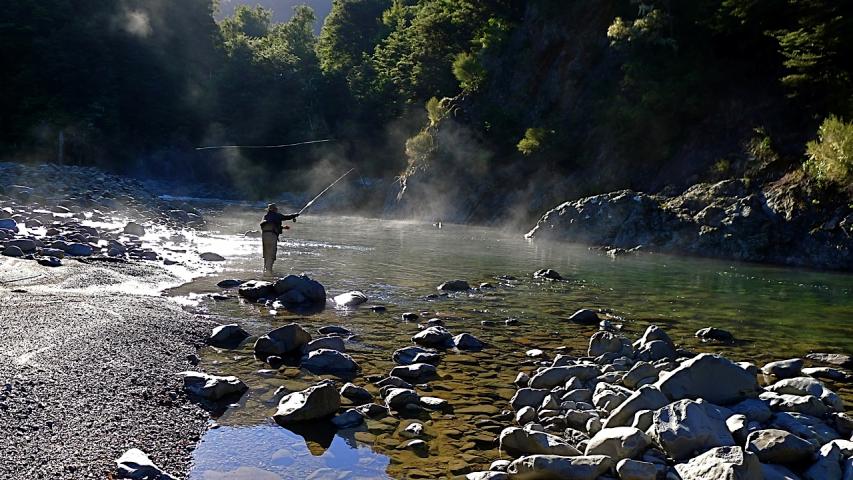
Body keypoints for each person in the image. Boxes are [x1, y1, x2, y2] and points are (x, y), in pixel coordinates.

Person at [260, 203, 299, 271]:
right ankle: (269, 269)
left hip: (264, 236)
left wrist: (283, 227)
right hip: (272, 236)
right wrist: (295, 215)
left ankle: (266, 268)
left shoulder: (265, 216)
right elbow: (286, 217)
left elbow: (270, 225)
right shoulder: (277, 215)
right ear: (275, 209)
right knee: (272, 252)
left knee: (266, 252)